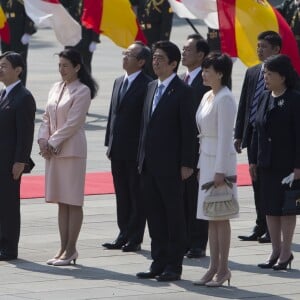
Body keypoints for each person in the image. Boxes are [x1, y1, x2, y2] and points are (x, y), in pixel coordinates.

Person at [136, 40, 196, 282]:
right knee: (154, 214)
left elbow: (188, 131)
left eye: (161, 58)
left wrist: (187, 163)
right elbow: (144, 127)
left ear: (173, 63)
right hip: (149, 164)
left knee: (174, 215)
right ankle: (158, 261)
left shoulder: (183, 91)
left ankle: (174, 265)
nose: (156, 62)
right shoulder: (151, 87)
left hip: (172, 166)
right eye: (154, 58)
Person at [38, 49, 98, 266]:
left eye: (65, 65)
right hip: (53, 152)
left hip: (71, 151)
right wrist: (42, 140)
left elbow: (73, 122)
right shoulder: (56, 87)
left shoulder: (82, 91)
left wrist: (52, 142)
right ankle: (63, 247)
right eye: (60, 65)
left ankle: (72, 248)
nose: (62, 69)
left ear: (77, 67)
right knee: (61, 202)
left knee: (72, 201)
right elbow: (46, 117)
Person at [249, 54, 300, 270]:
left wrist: (298, 167)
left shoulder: (294, 99)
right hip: (266, 163)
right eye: (264, 74)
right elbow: (256, 130)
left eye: (269, 74)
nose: (266, 78)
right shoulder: (264, 97)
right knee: (269, 208)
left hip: (287, 165)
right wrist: (252, 160)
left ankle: (286, 252)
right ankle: (275, 250)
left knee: (286, 209)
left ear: (282, 76)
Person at [193, 52, 237, 287]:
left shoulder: (225, 98)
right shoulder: (208, 96)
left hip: (220, 162)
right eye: (203, 70)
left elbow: (224, 138)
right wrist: (202, 166)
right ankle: (212, 267)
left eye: (208, 70)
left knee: (221, 216)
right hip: (206, 160)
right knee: (210, 217)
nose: (204, 74)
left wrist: (220, 170)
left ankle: (223, 268)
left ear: (220, 73)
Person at [103, 41, 152, 252]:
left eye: (130, 55)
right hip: (117, 149)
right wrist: (109, 141)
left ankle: (135, 237)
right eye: (125, 53)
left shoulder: (148, 85)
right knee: (121, 194)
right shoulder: (118, 81)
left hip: (134, 150)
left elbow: (145, 121)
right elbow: (113, 115)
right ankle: (122, 233)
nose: (125, 57)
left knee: (136, 194)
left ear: (141, 62)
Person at [234, 31, 282, 243]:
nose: (259, 49)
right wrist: (239, 134)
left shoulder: (284, 75)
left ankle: (273, 228)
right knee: (256, 182)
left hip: (272, 139)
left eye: (264, 46)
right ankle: (260, 224)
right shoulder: (253, 72)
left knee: (271, 184)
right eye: (258, 45)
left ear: (276, 50)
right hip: (253, 134)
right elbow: (244, 104)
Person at [0, 51, 36, 261]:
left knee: (9, 205)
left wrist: (20, 161)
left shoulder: (23, 97)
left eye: (5, 66)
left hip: (10, 162)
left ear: (18, 70)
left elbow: (25, 133)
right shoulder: (4, 94)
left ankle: (9, 247)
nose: (1, 69)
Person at [181, 34, 210, 259]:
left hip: (197, 150)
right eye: (183, 49)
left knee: (196, 198)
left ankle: (198, 243)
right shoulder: (181, 79)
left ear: (201, 55)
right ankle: (184, 239)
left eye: (188, 50)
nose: (184, 53)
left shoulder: (207, 81)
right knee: (182, 199)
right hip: (179, 150)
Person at [130, 0, 173, 78]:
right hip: (142, 36)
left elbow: (166, 24)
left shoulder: (164, 2)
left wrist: (162, 44)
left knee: (152, 68)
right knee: (141, 65)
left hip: (154, 38)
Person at [0, 0, 36, 85]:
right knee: (5, 61)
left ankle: (20, 87)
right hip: (5, 28)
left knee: (18, 61)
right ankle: (8, 87)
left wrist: (28, 31)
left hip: (19, 31)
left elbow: (30, 12)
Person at [61, 0, 101, 74]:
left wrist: (95, 40)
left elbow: (97, 17)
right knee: (68, 63)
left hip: (86, 37)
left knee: (85, 65)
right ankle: (70, 84)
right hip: (71, 36)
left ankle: (86, 84)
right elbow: (62, 4)